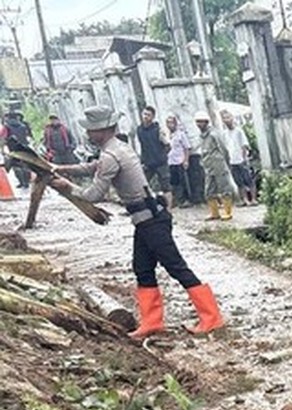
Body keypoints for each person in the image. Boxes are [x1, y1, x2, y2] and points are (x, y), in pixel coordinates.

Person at [50, 105, 225, 338]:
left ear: (103, 130)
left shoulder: (111, 155)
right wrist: (61, 168)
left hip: (150, 220)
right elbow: (91, 167)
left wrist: (68, 187)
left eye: (91, 130)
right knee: (142, 268)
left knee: (176, 267)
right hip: (148, 218)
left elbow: (94, 195)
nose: (88, 134)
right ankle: (152, 322)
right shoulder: (119, 148)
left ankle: (211, 317)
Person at [195, 110, 235, 220]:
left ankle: (228, 212)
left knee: (225, 188)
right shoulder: (201, 136)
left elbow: (223, 149)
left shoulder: (214, 134)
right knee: (209, 190)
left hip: (219, 164)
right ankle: (214, 213)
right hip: (208, 166)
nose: (199, 124)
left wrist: (226, 163)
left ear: (206, 122)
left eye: (201, 122)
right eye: (197, 122)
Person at [136, 106, 172, 209]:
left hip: (161, 163)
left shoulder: (158, 130)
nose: (145, 117)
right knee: (141, 185)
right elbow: (142, 146)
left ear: (153, 117)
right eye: (144, 114)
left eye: (148, 115)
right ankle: (145, 207)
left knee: (166, 187)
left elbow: (167, 145)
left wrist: (161, 156)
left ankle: (168, 209)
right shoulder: (139, 130)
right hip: (147, 163)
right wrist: (143, 160)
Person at [220, 110, 256, 206]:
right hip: (232, 161)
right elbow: (225, 148)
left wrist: (244, 158)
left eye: (228, 117)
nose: (227, 120)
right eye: (224, 118)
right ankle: (244, 199)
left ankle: (253, 199)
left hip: (241, 159)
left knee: (248, 179)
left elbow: (244, 145)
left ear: (232, 118)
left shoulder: (239, 131)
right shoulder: (224, 134)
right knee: (239, 182)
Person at [165, 114, 193, 208]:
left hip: (180, 160)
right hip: (170, 161)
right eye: (168, 123)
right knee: (174, 182)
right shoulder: (167, 135)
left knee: (183, 182)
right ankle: (177, 200)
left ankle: (186, 200)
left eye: (171, 123)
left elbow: (187, 148)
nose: (170, 125)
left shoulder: (181, 134)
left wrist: (186, 160)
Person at [3, 106, 32, 188]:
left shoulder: (6, 127)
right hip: (24, 147)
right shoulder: (23, 126)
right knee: (25, 164)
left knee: (16, 166)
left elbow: (3, 138)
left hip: (13, 149)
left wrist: (3, 148)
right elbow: (27, 136)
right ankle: (27, 181)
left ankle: (22, 182)